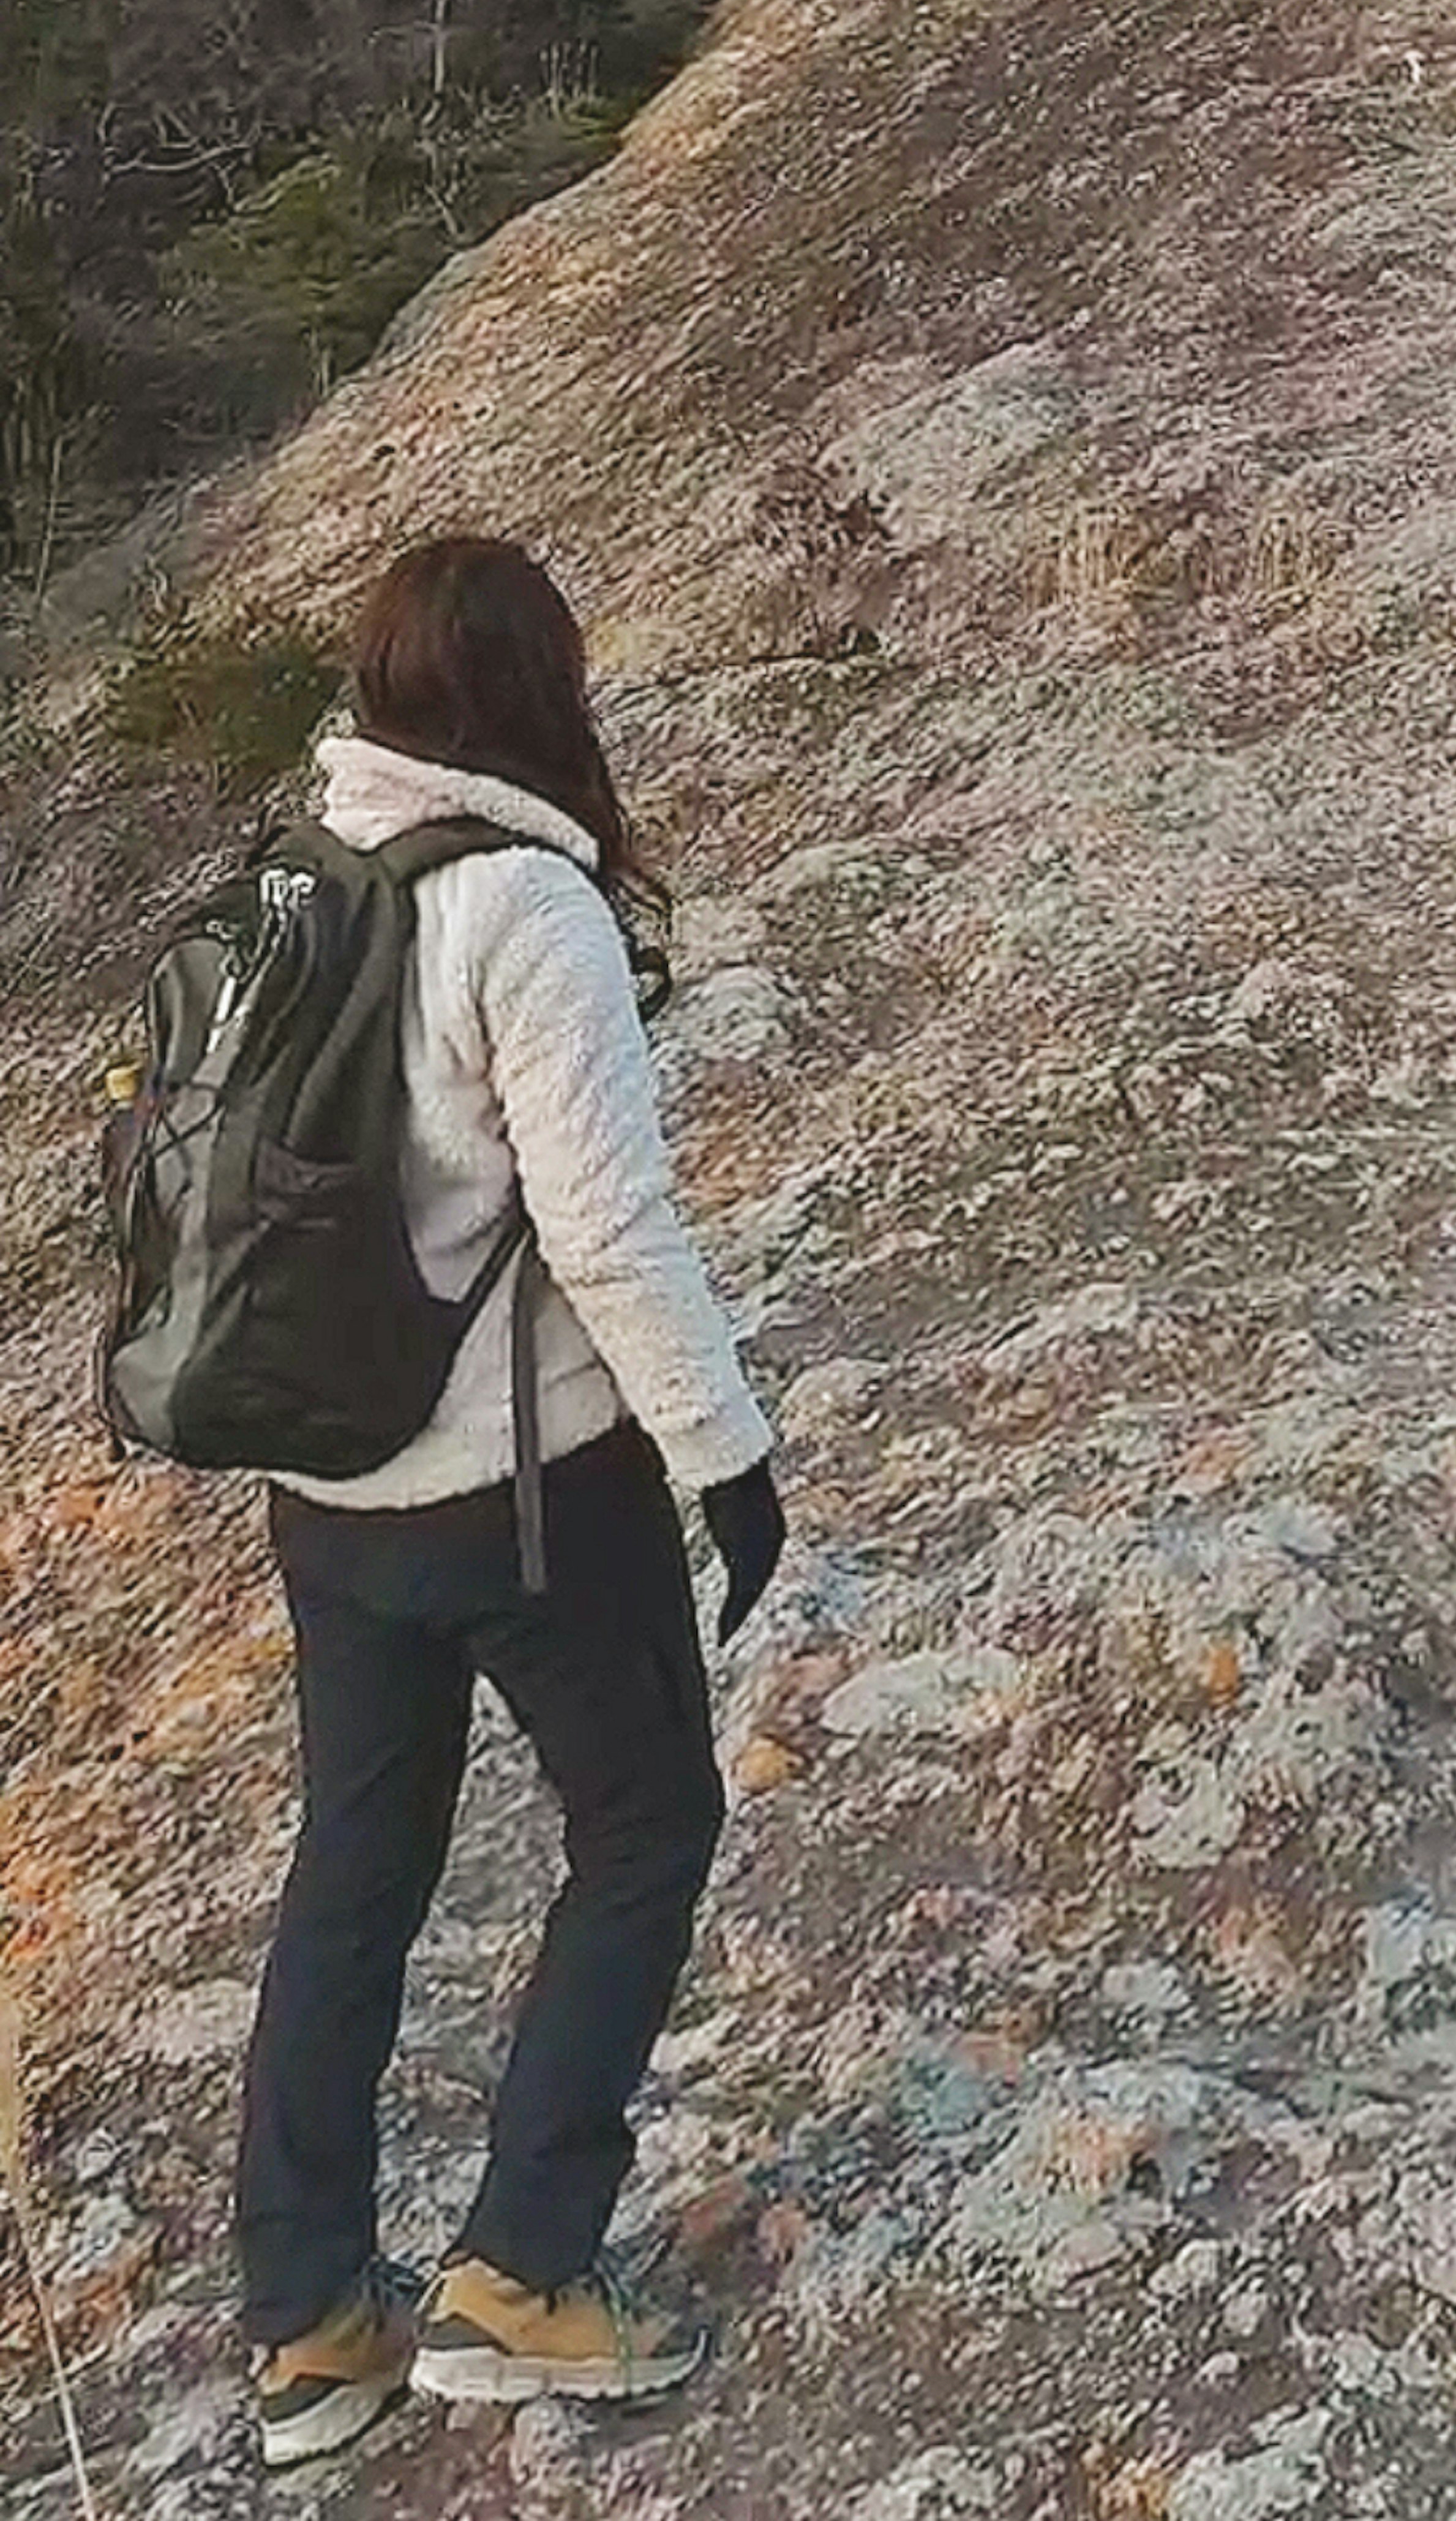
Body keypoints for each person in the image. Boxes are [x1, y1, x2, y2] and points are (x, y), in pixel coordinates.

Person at [236, 535, 784, 2470]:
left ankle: (309, 2325)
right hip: (525, 1491)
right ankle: (522, 2271)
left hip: (327, 1489)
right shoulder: (523, 909)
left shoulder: (299, 874)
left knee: (354, 1878)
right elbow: (610, 1230)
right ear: (543, 694)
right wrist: (728, 1463)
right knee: (647, 1823)